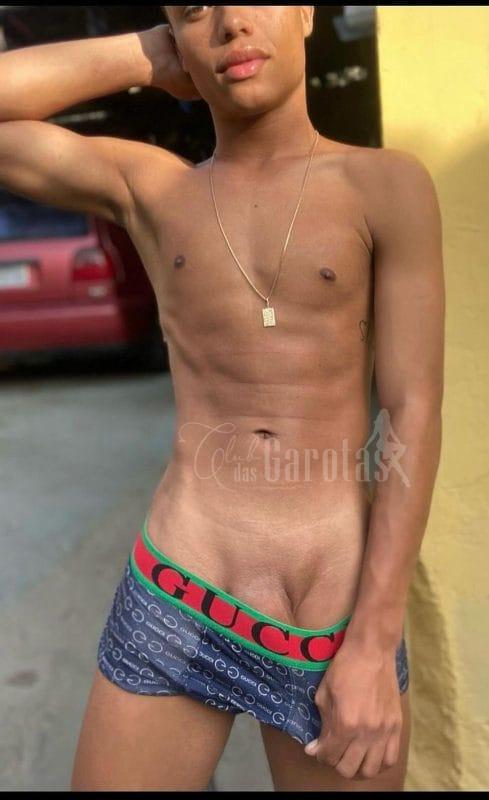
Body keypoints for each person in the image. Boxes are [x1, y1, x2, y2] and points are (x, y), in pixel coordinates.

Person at [0, 6, 445, 792]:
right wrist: (145, 52)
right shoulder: (153, 188)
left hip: (334, 621)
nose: (233, 23)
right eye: (197, 8)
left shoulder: (385, 184)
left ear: (305, 12)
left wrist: (373, 644)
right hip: (178, 592)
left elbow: (411, 409)